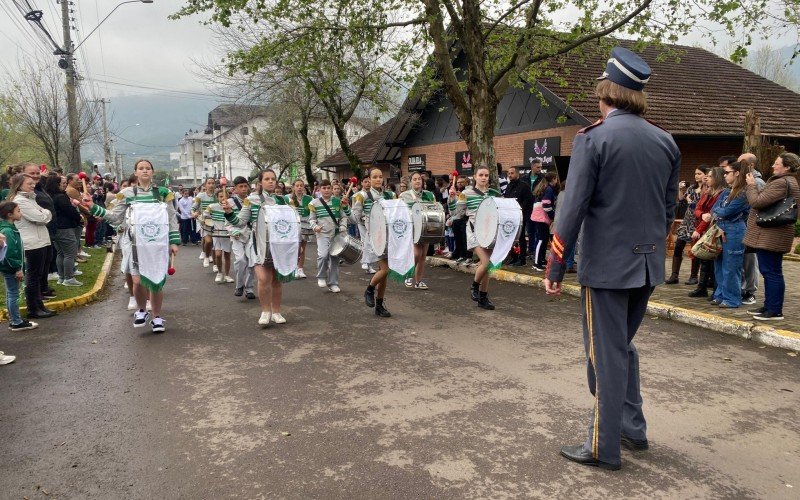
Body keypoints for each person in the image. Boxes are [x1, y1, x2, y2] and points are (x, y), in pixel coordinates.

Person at [544, 47, 681, 470]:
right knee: (622, 348)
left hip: (606, 267)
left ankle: (604, 446)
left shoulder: (593, 137)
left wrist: (554, 265)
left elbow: (572, 209)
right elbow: (668, 209)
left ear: (606, 91)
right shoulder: (666, 140)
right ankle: (632, 428)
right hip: (647, 265)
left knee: (603, 355)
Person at [81, 159, 180, 333]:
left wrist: (173, 241)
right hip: (135, 244)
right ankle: (141, 310)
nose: (144, 171)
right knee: (137, 280)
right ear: (135, 172)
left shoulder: (163, 193)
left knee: (157, 282)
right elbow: (115, 217)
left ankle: (157, 317)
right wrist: (92, 207)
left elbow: (171, 218)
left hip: (157, 244)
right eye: (141, 168)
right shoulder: (127, 193)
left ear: (153, 172)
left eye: (148, 168)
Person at [226, 169, 292, 325]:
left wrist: (294, 245)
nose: (270, 181)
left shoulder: (283, 201)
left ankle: (276, 311)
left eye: (273, 179)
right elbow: (240, 222)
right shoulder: (252, 199)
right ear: (260, 183)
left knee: (276, 280)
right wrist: (229, 213)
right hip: (257, 244)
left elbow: (290, 224)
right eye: (267, 179)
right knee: (263, 278)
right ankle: (265, 311)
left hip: (278, 245)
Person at [743, 152, 800, 321]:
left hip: (772, 233)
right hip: (772, 233)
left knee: (771, 272)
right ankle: (769, 306)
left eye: (776, 163)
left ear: (787, 167)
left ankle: (774, 310)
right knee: (770, 271)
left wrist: (752, 185)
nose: (773, 166)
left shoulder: (782, 182)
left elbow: (757, 202)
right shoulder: (787, 181)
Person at [452, 165, 502, 310]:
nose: (484, 178)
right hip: (474, 231)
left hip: (490, 233)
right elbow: (457, 213)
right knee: (486, 263)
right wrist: (452, 200)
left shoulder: (494, 193)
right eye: (481, 175)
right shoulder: (466, 193)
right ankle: (474, 286)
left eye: (486, 175)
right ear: (475, 177)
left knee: (488, 266)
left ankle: (483, 297)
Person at [8, 172, 57, 319]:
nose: (33, 185)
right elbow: (41, 217)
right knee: (33, 276)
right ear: (19, 185)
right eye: (29, 183)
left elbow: (42, 216)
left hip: (40, 240)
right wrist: (46, 212)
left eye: (33, 182)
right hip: (32, 243)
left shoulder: (30, 198)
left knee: (39, 275)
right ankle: (33, 308)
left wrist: (44, 213)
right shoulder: (20, 201)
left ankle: (39, 305)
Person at [352, 167, 396, 317]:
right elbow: (354, 218)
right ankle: (369, 289)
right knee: (385, 270)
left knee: (384, 273)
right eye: (375, 177)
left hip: (388, 237)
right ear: (369, 180)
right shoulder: (362, 196)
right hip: (375, 238)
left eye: (380, 176)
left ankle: (379, 305)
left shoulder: (390, 195)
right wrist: (347, 209)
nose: (378, 179)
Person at [709, 161, 750, 308]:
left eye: (727, 172)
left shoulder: (743, 193)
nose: (724, 175)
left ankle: (732, 299)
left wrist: (717, 212)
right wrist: (718, 212)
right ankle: (720, 295)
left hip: (734, 232)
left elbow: (726, 211)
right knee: (719, 264)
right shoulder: (726, 191)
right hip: (720, 230)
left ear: (737, 173)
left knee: (731, 267)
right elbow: (713, 208)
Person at [666, 166, 709, 284]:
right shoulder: (691, 188)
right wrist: (680, 190)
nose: (696, 176)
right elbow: (681, 200)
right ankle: (674, 275)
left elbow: (703, 205)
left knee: (695, 248)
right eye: (695, 173)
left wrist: (692, 201)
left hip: (698, 221)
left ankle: (694, 276)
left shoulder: (708, 189)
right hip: (687, 220)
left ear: (706, 175)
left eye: (699, 173)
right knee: (679, 245)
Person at [0, 201, 39, 331]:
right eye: (18, 211)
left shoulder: (10, 229)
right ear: (10, 215)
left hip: (10, 268)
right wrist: (18, 268)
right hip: (11, 268)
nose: (20, 213)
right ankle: (16, 322)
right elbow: (10, 253)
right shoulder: (8, 231)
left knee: (11, 293)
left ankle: (14, 319)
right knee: (13, 294)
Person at [688, 168, 725, 298]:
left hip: (713, 229)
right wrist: (702, 215)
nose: (707, 178)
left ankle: (714, 289)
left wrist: (699, 229)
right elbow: (697, 210)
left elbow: (711, 215)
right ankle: (701, 288)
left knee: (713, 259)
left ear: (717, 178)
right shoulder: (707, 192)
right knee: (704, 259)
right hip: (703, 226)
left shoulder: (721, 194)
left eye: (710, 176)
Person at [308, 179, 350, 293]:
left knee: (335, 258)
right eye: (324, 188)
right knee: (323, 255)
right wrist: (315, 227)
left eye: (328, 188)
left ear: (331, 189)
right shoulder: (313, 203)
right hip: (322, 234)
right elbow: (311, 219)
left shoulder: (338, 202)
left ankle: (333, 283)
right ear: (319, 189)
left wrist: (343, 226)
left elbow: (344, 216)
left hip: (336, 234)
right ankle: (321, 276)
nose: (326, 190)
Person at [736, 153, 765, 305]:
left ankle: (750, 291)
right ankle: (742, 288)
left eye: (740, 163)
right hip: (743, 225)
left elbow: (758, 204)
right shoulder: (743, 181)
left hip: (751, 226)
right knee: (743, 259)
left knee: (750, 260)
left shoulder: (757, 182)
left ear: (751, 165)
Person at [399, 171, 436, 289]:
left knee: (423, 256)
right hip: (411, 228)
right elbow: (399, 213)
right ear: (410, 182)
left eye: (419, 179)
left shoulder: (429, 195)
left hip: (426, 228)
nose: (417, 181)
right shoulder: (404, 196)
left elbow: (435, 210)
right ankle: (408, 275)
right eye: (414, 179)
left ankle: (419, 281)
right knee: (416, 254)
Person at [45, 174, 82, 286]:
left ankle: (61, 277)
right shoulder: (60, 197)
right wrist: (78, 217)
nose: (65, 185)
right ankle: (68, 278)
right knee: (70, 253)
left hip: (57, 228)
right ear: (56, 185)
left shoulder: (49, 196)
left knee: (61, 253)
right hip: (65, 227)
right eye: (62, 183)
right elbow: (69, 211)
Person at [228, 176, 256, 299]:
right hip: (237, 236)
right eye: (241, 186)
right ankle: (239, 285)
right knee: (241, 260)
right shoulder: (230, 203)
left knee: (252, 262)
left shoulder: (253, 200)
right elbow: (227, 223)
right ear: (235, 189)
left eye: (245, 186)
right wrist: (233, 232)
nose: (244, 189)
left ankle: (249, 288)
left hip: (252, 234)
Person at [504, 166, 533, 266]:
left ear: (517, 174)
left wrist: (519, 209)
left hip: (521, 216)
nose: (510, 175)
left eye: (512, 173)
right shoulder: (509, 186)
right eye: (508, 173)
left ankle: (522, 259)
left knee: (521, 238)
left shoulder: (524, 186)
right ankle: (514, 257)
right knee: (511, 237)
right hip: (510, 216)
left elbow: (529, 200)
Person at [530, 171, 560, 271]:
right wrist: (552, 216)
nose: (556, 181)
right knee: (541, 239)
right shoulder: (549, 189)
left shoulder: (544, 188)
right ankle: (536, 263)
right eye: (556, 179)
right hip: (541, 217)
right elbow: (546, 205)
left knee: (543, 238)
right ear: (553, 179)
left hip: (539, 216)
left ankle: (541, 260)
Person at [205, 189, 235, 284]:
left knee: (227, 255)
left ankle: (227, 275)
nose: (223, 198)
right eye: (221, 196)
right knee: (218, 255)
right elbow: (204, 215)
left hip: (227, 234)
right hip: (217, 234)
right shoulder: (212, 206)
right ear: (217, 197)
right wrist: (207, 222)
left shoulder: (232, 207)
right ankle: (219, 272)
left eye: (225, 196)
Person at [286, 179, 314, 279]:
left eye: (301, 185)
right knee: (295, 248)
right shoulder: (287, 198)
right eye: (297, 186)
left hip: (305, 226)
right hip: (292, 227)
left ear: (303, 187)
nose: (299, 188)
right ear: (293, 187)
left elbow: (312, 213)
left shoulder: (309, 198)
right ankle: (292, 268)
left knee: (303, 248)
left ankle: (300, 268)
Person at [354, 175, 377, 274]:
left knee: (372, 243)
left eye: (369, 181)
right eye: (365, 181)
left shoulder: (376, 193)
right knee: (365, 241)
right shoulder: (358, 195)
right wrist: (361, 218)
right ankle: (365, 262)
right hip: (363, 222)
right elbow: (355, 210)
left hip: (374, 221)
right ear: (362, 183)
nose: (367, 183)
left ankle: (368, 264)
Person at [192, 178, 217, 269]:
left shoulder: (218, 196)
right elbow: (193, 208)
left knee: (215, 244)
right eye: (209, 183)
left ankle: (216, 264)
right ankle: (206, 256)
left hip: (217, 222)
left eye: (213, 183)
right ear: (205, 185)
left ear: (215, 185)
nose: (211, 185)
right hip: (204, 221)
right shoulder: (200, 196)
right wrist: (194, 214)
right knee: (208, 241)